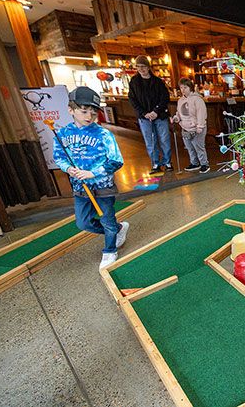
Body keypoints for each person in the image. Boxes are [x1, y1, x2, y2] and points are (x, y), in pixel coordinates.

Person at [53, 87, 128, 269]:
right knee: (83, 222)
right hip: (80, 188)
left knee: (106, 219)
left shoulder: (103, 134)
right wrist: (68, 168)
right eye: (84, 111)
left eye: (93, 112)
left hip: (102, 187)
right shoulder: (62, 134)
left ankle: (110, 250)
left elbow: (116, 161)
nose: (89, 116)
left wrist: (93, 172)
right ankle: (118, 229)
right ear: (71, 110)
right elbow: (59, 157)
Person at [128, 55, 172, 174]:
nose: (141, 69)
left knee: (164, 139)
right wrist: (144, 113)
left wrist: (156, 111)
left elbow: (165, 98)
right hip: (144, 117)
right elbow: (132, 100)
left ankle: (167, 162)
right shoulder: (134, 82)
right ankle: (155, 163)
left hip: (160, 115)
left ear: (148, 67)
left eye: (143, 66)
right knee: (150, 141)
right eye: (138, 67)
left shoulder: (157, 82)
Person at [172, 78, 210, 174]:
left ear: (190, 87)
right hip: (185, 128)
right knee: (189, 147)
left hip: (197, 128)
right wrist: (176, 118)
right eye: (181, 88)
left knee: (198, 146)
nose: (183, 90)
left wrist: (200, 126)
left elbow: (201, 113)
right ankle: (194, 163)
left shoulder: (197, 99)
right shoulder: (180, 100)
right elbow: (179, 113)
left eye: (185, 87)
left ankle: (204, 164)